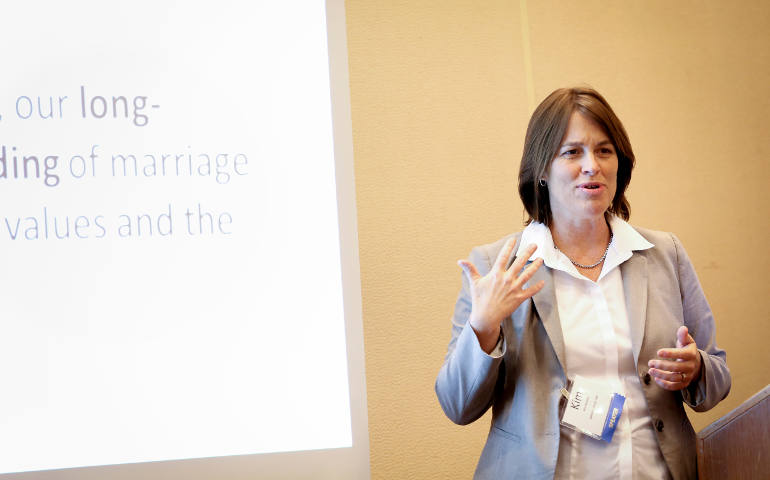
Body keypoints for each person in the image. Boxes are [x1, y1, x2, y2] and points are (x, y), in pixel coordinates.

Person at [435, 87, 730, 480]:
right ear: (541, 169)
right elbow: (457, 405)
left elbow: (717, 377)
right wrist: (484, 326)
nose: (592, 165)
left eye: (604, 151)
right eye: (572, 152)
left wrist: (695, 370)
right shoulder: (495, 266)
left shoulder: (664, 254)